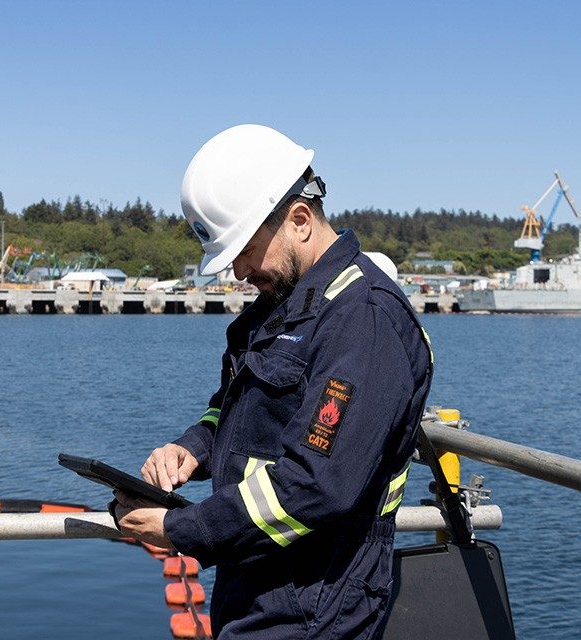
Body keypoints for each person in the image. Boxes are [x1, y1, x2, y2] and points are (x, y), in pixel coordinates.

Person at [113, 124, 433, 639]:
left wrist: (182, 530)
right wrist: (192, 448)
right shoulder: (282, 310)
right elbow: (236, 411)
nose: (239, 272)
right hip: (258, 593)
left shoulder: (364, 322)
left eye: (245, 250)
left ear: (300, 221)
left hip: (317, 609)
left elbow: (315, 486)